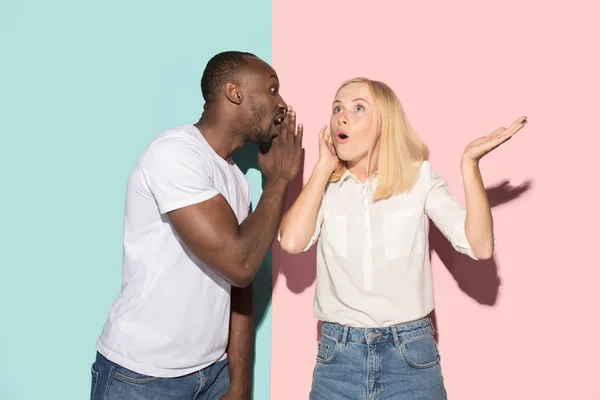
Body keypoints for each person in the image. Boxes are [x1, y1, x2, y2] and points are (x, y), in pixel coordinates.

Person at [278, 77, 527, 399]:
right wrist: (323, 166)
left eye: (358, 108)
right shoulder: (323, 188)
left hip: (410, 355)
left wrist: (470, 164)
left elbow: (479, 246)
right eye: (337, 107)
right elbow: (292, 242)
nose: (341, 116)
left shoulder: (419, 177)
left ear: (385, 123)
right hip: (337, 356)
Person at [91, 51, 303, 400]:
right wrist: (278, 180)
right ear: (234, 93)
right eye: (272, 89)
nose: (281, 104)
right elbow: (239, 264)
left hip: (212, 374)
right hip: (142, 378)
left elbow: (241, 289)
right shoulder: (175, 154)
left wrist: (238, 382)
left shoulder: (235, 179)